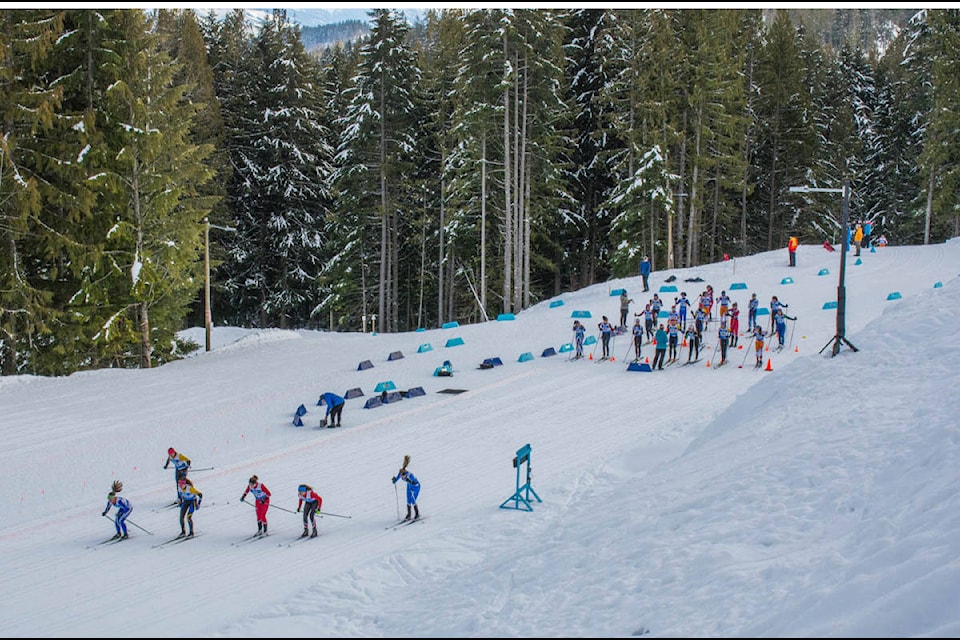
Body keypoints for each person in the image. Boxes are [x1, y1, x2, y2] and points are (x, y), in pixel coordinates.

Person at [392, 456, 421, 521]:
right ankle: (409, 514)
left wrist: (410, 481)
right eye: (401, 475)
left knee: (413, 500)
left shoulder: (410, 475)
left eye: (403, 475)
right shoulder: (401, 474)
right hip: (409, 487)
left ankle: (417, 514)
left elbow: (415, 483)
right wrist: (394, 480)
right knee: (408, 500)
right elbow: (396, 480)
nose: (402, 476)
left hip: (416, 487)